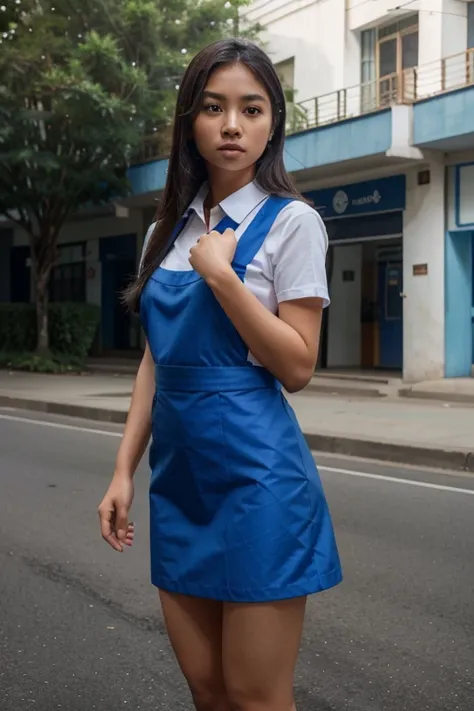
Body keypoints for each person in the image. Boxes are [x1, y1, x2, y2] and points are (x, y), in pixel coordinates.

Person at [98, 37, 342, 711]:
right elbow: (156, 359)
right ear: (191, 122)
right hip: (179, 482)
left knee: (256, 695)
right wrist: (123, 469)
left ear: (273, 123)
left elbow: (297, 364)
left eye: (251, 108)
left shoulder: (293, 223)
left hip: (259, 480)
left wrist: (224, 277)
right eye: (213, 107)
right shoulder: (164, 232)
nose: (232, 124)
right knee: (208, 690)